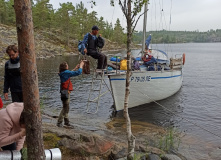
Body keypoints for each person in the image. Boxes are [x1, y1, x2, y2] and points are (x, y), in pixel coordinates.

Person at [57, 61, 84, 127]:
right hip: (66, 92)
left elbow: (69, 73)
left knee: (66, 107)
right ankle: (59, 122)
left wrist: (75, 68)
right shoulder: (66, 73)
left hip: (64, 92)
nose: (68, 66)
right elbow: (78, 72)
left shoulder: (63, 73)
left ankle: (66, 122)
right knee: (65, 107)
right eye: (67, 65)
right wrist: (81, 66)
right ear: (65, 67)